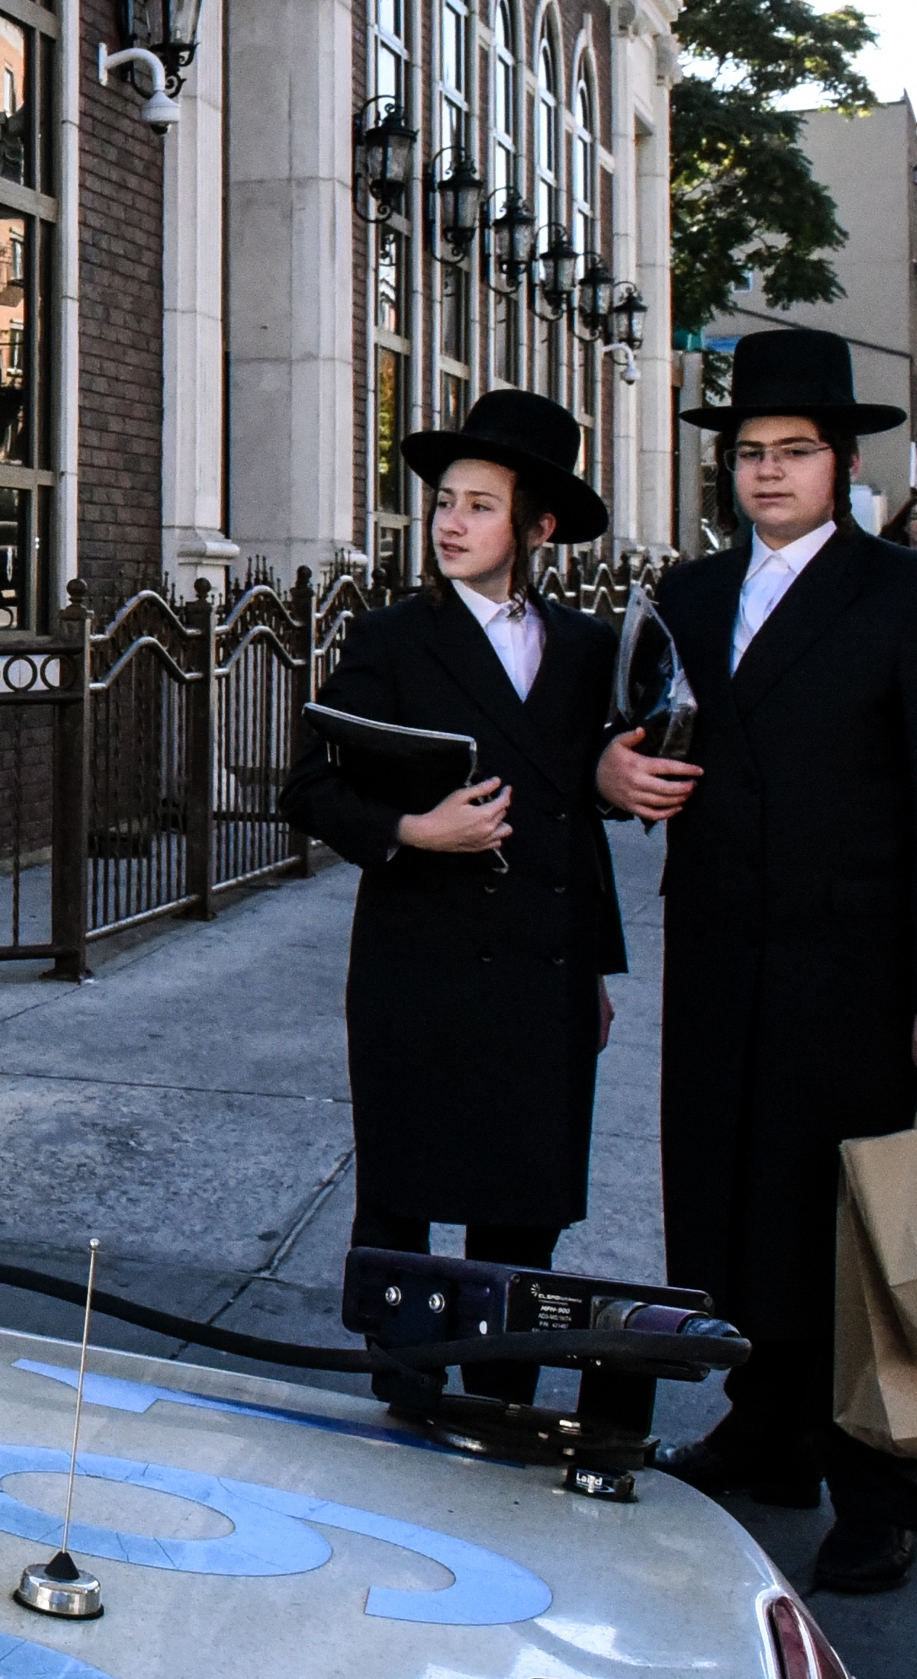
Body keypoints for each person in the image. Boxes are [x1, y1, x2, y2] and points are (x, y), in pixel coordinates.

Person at [602, 325, 917, 1595]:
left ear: (843, 462)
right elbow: (630, 730)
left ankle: (884, 1489)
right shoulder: (697, 594)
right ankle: (766, 1430)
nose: (768, 474)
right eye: (750, 454)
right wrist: (617, 772)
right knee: (732, 1202)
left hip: (860, 968)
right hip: (721, 949)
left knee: (852, 1224)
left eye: (795, 453)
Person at [282, 391, 629, 1404]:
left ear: (538, 526)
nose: (450, 521)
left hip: (544, 965)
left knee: (523, 1204)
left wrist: (597, 970)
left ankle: (501, 1398)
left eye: (480, 504)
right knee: (401, 1192)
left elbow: (578, 827)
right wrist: (412, 832)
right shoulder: (392, 639)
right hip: (419, 958)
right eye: (443, 500)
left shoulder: (586, 651)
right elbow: (311, 783)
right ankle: (403, 1394)